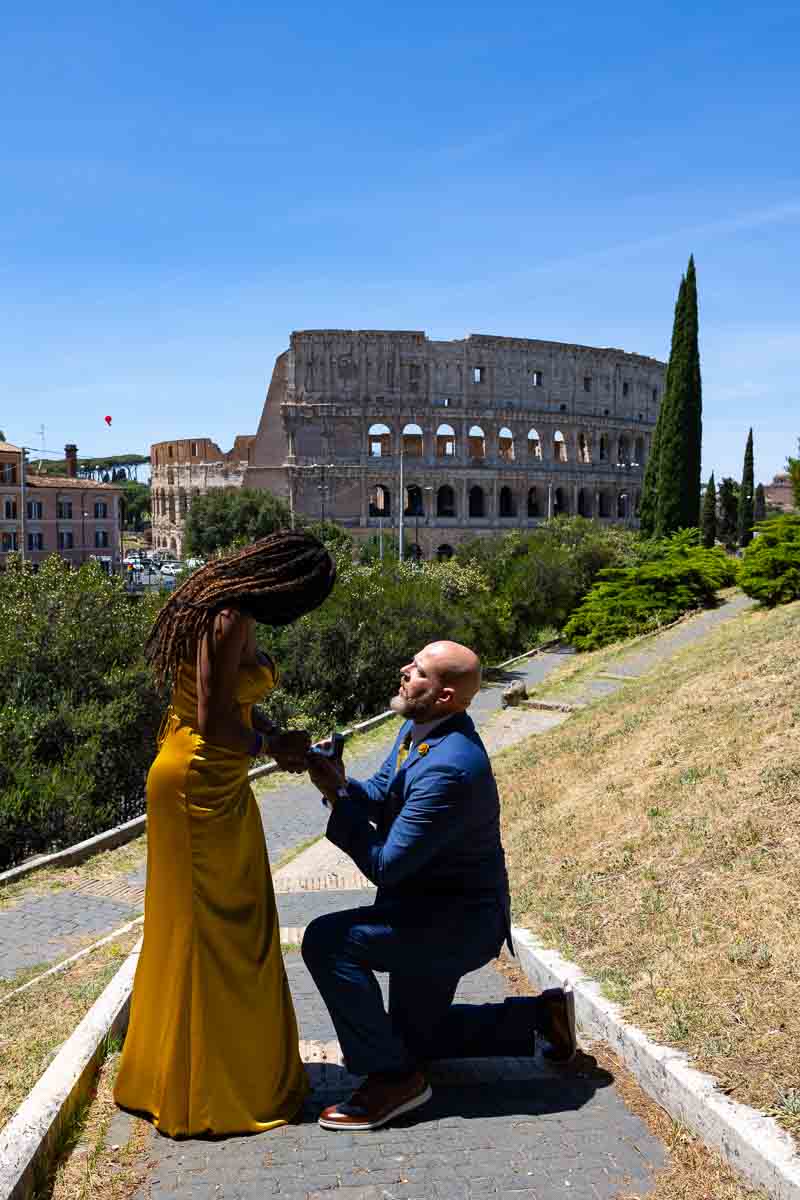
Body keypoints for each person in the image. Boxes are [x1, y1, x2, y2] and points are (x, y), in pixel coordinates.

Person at [303, 640, 577, 1132]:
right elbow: (383, 794)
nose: (405, 671)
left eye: (420, 671)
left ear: (446, 695)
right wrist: (338, 783)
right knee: (411, 1037)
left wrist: (339, 802)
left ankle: (393, 1079)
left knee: (327, 941)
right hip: (424, 911)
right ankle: (540, 1018)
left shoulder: (451, 766)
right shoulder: (418, 729)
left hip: (454, 925)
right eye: (412, 662)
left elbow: (386, 864)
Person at [114, 531, 336, 1137]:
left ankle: (184, 1072)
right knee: (216, 931)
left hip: (217, 779)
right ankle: (205, 1091)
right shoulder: (228, 613)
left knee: (230, 923)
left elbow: (232, 705)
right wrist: (272, 748)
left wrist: (274, 738)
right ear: (287, 584)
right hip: (197, 782)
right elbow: (213, 723)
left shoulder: (232, 606)